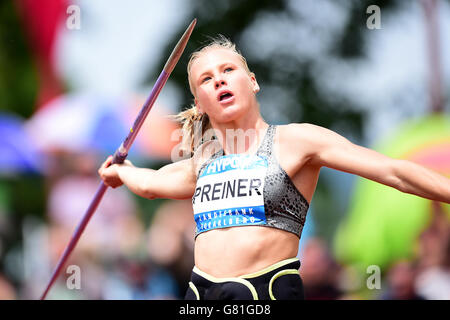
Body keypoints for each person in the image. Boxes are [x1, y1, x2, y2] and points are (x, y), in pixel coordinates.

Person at [98, 36, 450, 300]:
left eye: (228, 70)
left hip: (264, 293)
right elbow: (150, 183)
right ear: (200, 104)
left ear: (252, 81)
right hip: (200, 295)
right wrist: (119, 171)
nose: (218, 80)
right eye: (206, 79)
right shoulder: (203, 163)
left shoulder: (297, 142)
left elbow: (394, 172)